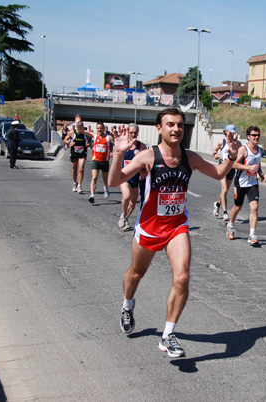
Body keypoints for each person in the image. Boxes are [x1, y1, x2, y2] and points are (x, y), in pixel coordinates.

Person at [108, 107, 239, 358]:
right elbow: (115, 181)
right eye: (170, 124)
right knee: (136, 273)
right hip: (149, 227)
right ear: (159, 128)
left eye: (180, 125)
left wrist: (230, 158)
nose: (176, 129)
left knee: (182, 278)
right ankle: (127, 305)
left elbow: (219, 173)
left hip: (177, 226)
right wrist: (117, 153)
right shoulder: (148, 157)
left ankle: (168, 335)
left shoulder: (190, 158)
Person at [226, 126, 265, 246]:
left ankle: (252, 235)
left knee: (254, 206)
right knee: (238, 207)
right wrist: (248, 168)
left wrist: (260, 172)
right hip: (241, 182)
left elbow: (257, 163)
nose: (256, 137)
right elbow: (233, 165)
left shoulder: (260, 150)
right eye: (253, 135)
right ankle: (231, 225)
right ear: (248, 136)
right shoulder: (243, 149)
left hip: (252, 182)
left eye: (258, 135)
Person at [118, 123, 147, 230]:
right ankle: (124, 215)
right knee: (126, 196)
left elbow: (146, 162)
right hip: (124, 177)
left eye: (135, 132)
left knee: (133, 203)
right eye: (131, 132)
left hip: (136, 178)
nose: (133, 134)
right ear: (127, 133)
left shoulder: (141, 146)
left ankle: (125, 217)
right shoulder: (123, 145)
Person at [211, 124, 241, 222]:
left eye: (233, 132)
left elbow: (242, 154)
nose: (231, 134)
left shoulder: (238, 143)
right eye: (230, 132)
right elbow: (214, 150)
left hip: (231, 169)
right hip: (222, 168)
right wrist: (215, 155)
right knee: (224, 190)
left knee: (225, 191)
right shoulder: (222, 142)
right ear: (226, 132)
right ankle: (225, 213)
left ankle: (217, 204)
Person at [63, 120, 93, 193]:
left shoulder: (85, 134)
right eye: (78, 127)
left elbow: (91, 140)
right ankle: (74, 183)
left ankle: (79, 185)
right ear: (76, 127)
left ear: (82, 127)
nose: (79, 128)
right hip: (74, 152)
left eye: (80, 127)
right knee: (74, 169)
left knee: (81, 168)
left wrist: (89, 144)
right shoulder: (72, 133)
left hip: (82, 152)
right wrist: (70, 143)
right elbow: (65, 140)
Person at [88, 122, 114, 203]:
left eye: (101, 128)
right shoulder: (95, 136)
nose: (99, 130)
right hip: (96, 160)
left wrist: (115, 152)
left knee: (105, 178)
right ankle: (92, 195)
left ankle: (106, 188)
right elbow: (83, 131)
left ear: (104, 128)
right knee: (94, 177)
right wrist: (78, 123)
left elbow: (116, 145)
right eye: (98, 128)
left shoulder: (108, 138)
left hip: (105, 161)